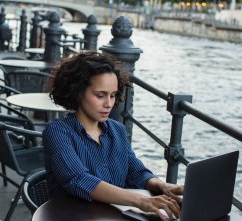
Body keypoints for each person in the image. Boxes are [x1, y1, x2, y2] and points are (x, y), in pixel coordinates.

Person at [42, 52, 183, 220]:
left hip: (112, 215)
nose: (109, 103)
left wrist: (161, 185)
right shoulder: (57, 132)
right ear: (77, 92)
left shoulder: (117, 130)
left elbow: (134, 170)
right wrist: (140, 201)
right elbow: (78, 180)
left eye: (113, 95)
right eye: (100, 95)